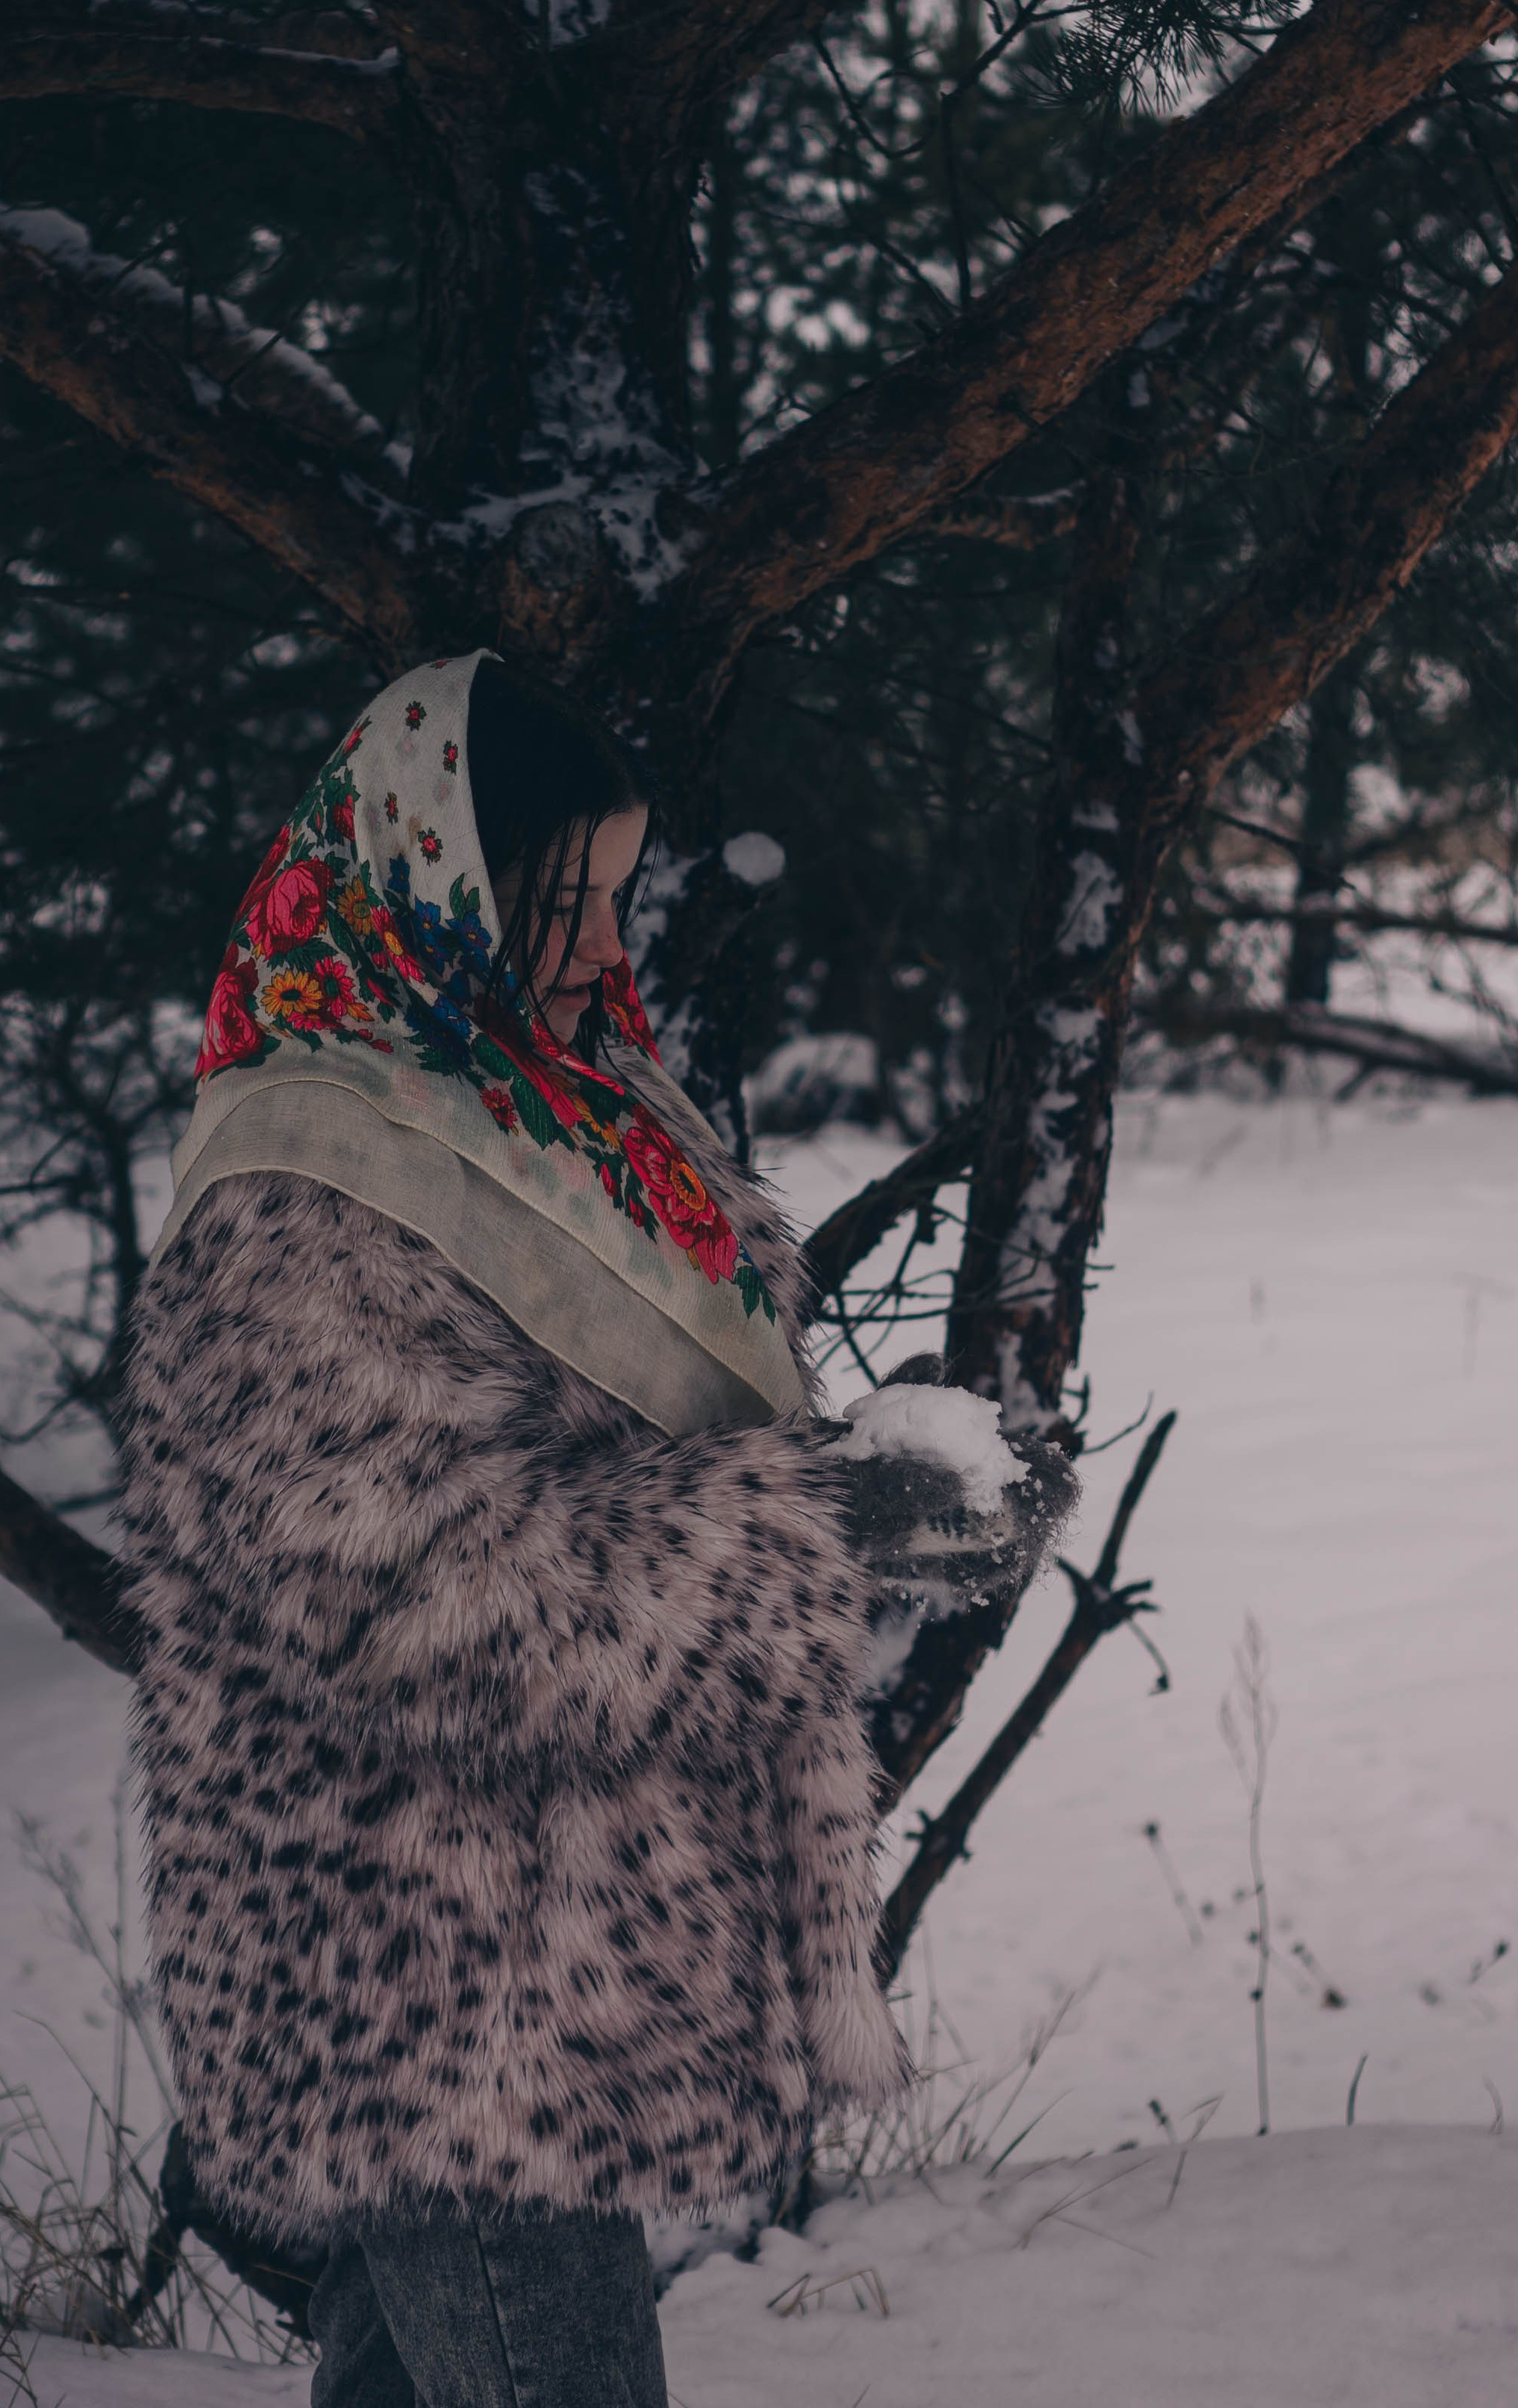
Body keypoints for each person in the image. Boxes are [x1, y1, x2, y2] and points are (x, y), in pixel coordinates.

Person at [117, 650, 1070, 2408]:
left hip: (554, 1957)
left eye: (615, 899)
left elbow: (667, 1447)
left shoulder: (559, 1100)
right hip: (436, 1990)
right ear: (423, 877)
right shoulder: (303, 1187)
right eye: (553, 902)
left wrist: (885, 1499)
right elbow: (433, 1603)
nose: (593, 948)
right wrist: (821, 1524)